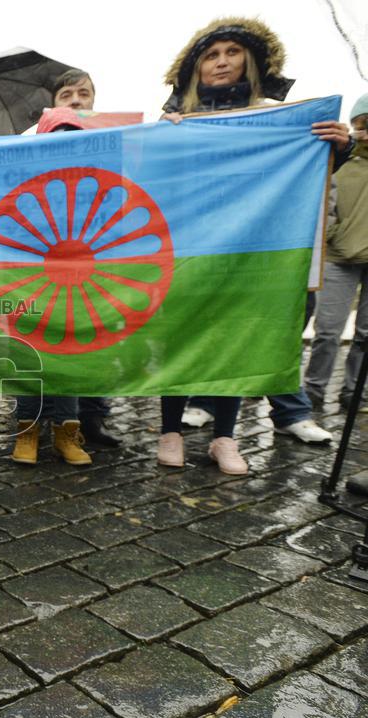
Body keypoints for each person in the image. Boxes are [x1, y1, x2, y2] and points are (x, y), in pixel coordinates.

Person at [157, 16, 351, 474]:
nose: (222, 62)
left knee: (235, 339)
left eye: (231, 52)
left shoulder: (279, 121)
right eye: (211, 55)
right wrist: (162, 139)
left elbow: (303, 178)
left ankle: (224, 437)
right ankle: (170, 430)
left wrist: (335, 149)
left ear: (251, 61)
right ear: (195, 69)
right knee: (180, 335)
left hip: (249, 251)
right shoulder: (177, 121)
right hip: (189, 250)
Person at [10, 70, 118, 468]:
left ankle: (67, 434)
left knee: (70, 355)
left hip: (82, 281)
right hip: (34, 281)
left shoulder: (101, 177)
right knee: (30, 354)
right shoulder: (27, 179)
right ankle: (27, 433)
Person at [305, 94, 368, 410]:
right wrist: (329, 237)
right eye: (360, 126)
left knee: (366, 335)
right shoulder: (340, 157)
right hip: (339, 256)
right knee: (327, 331)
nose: (364, 133)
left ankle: (355, 392)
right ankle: (313, 391)